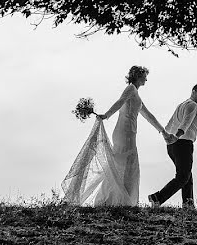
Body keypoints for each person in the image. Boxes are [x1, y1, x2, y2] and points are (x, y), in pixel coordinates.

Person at [62, 65, 174, 206]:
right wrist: (106, 115)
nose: (146, 78)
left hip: (129, 133)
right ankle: (121, 201)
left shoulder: (136, 94)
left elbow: (148, 115)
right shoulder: (131, 89)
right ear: (139, 76)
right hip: (124, 132)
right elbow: (120, 102)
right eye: (145, 75)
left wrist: (163, 131)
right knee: (127, 164)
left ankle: (118, 199)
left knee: (125, 165)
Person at [148, 84, 197, 208]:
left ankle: (188, 204)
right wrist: (176, 136)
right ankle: (157, 198)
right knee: (183, 176)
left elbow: (171, 122)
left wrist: (167, 136)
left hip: (173, 145)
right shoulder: (192, 105)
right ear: (193, 91)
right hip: (183, 144)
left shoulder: (182, 104)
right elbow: (186, 123)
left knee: (186, 174)